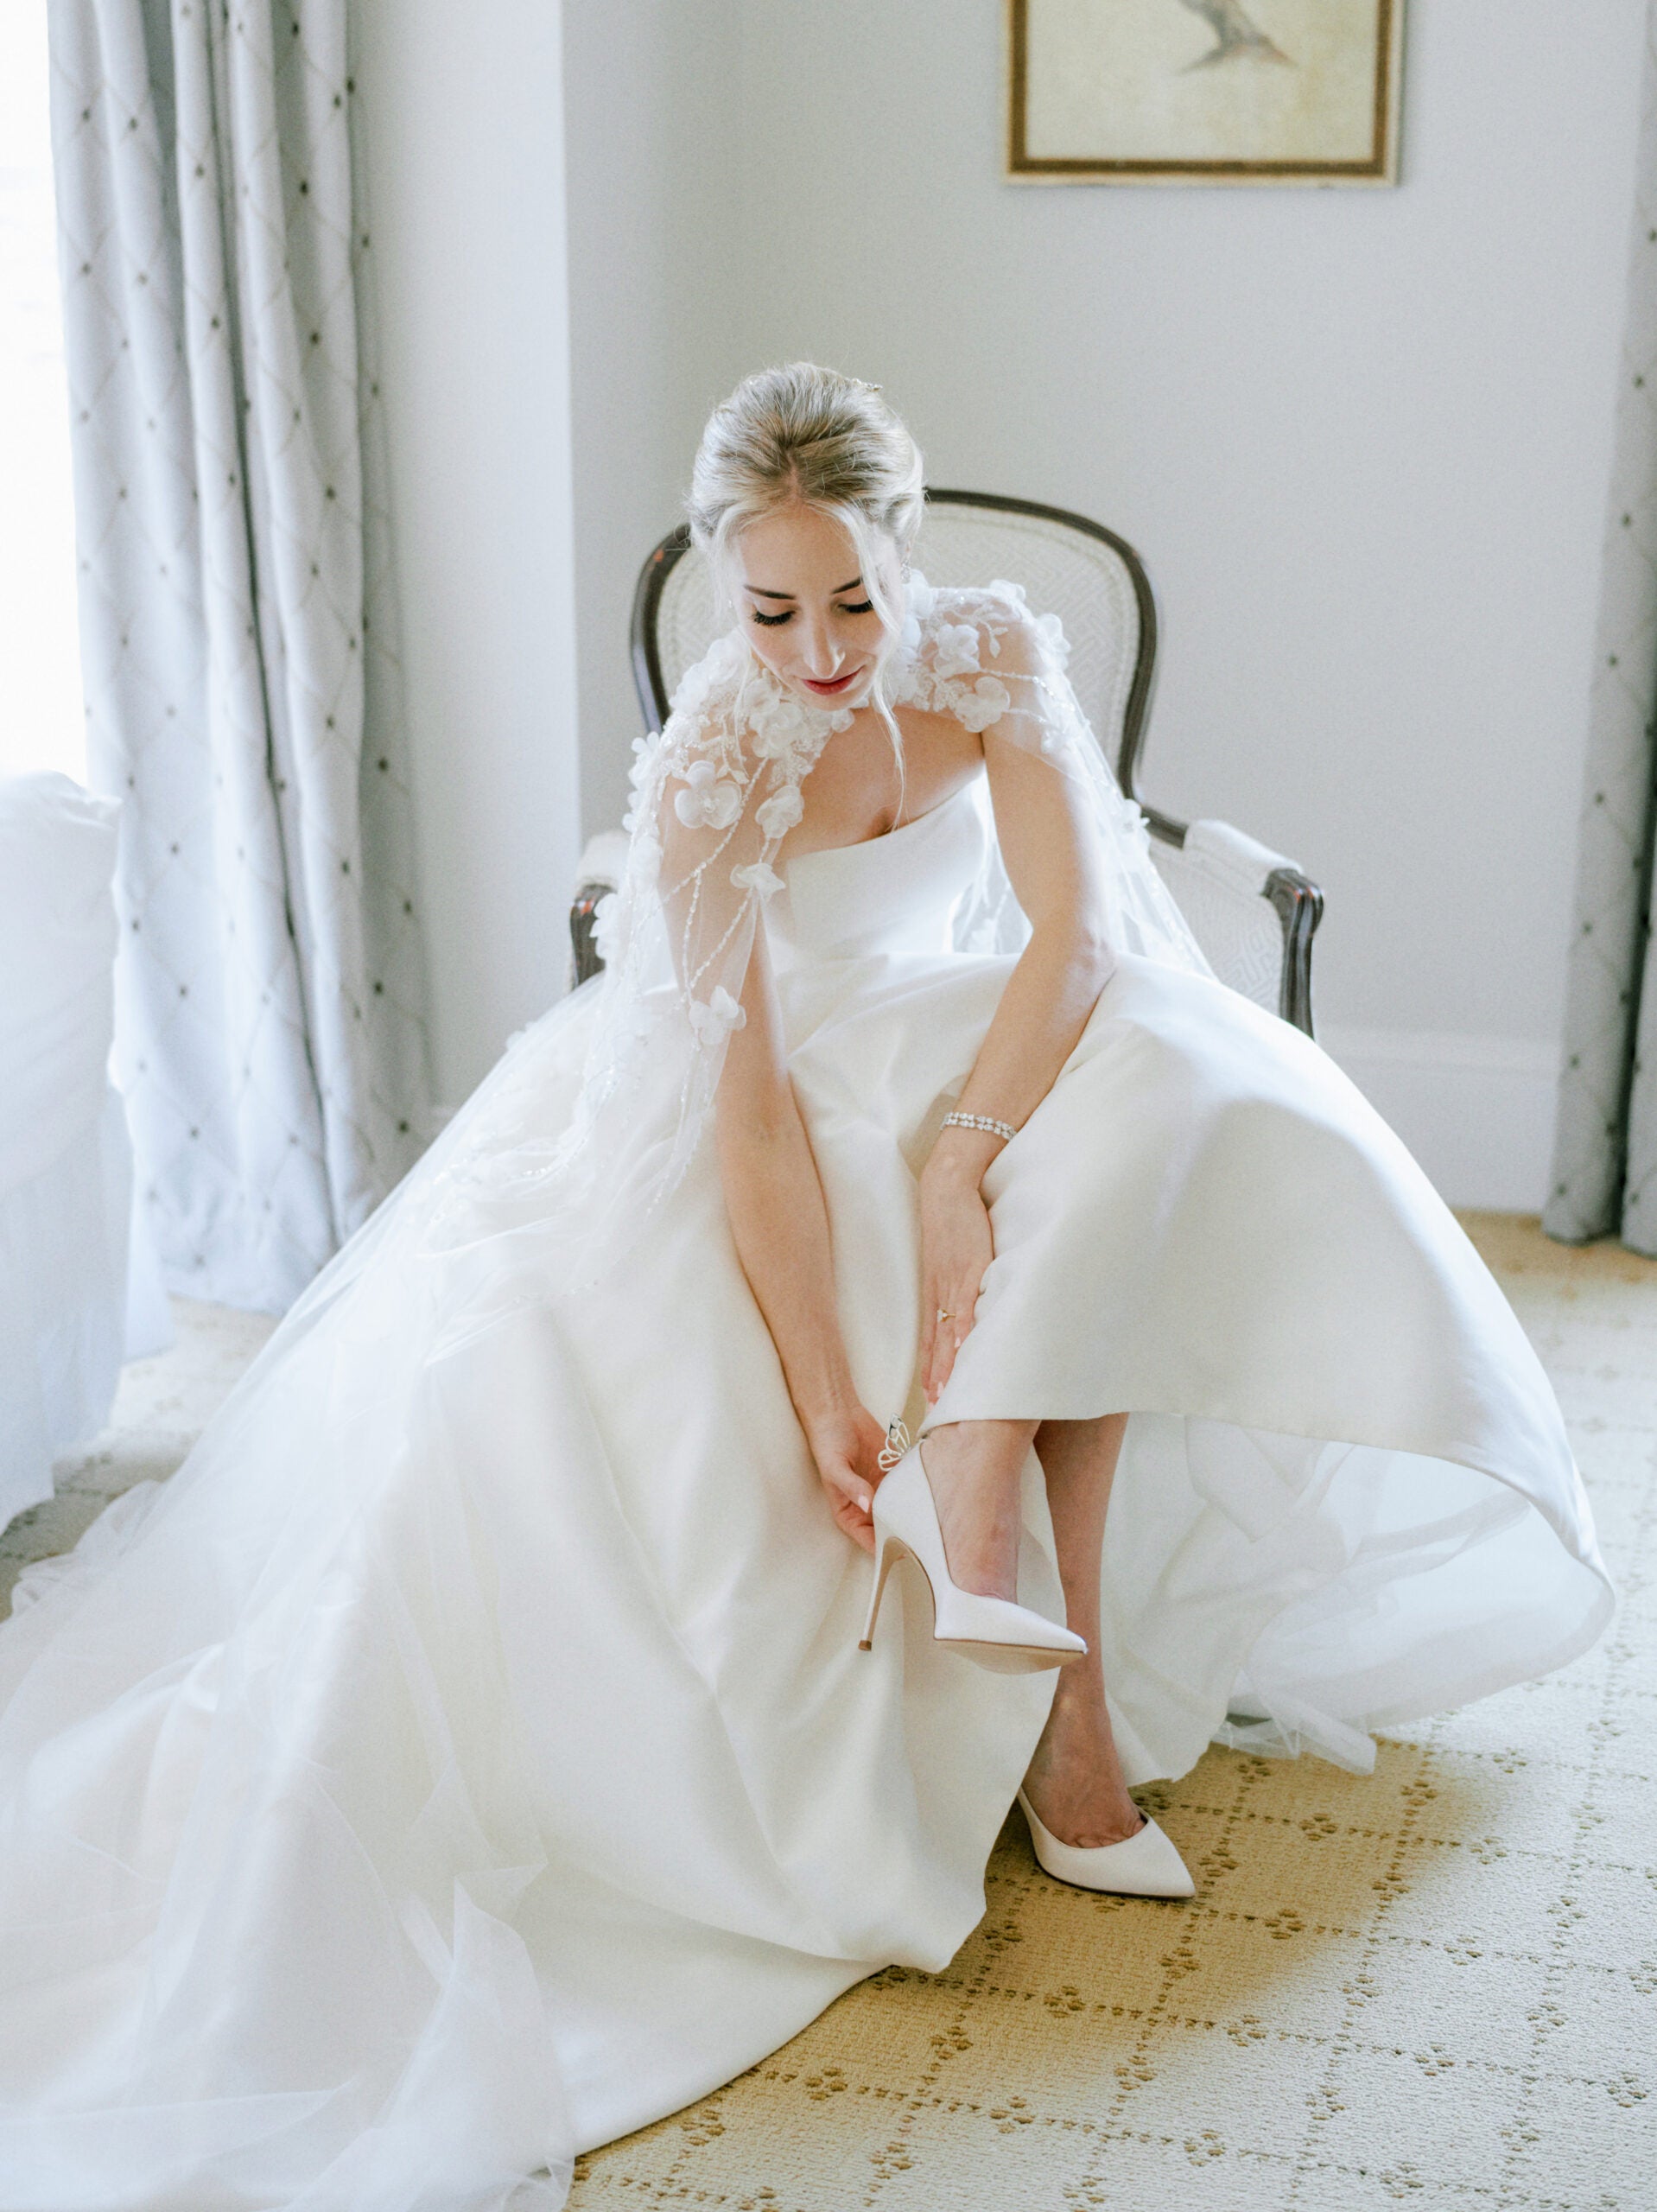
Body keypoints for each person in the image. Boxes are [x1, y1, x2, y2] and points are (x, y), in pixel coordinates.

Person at [0, 364, 1612, 2211]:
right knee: (1043, 1168)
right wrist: (826, 1396)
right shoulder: (711, 766)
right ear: (716, 588)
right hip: (766, 1094)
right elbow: (747, 1112)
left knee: (1166, 1056)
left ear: (903, 554)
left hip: (973, 1041)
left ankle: (990, 1484)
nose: (826, 648)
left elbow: (1076, 932)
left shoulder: (990, 654)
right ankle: (1019, 1638)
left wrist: (956, 1156)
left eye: (854, 595)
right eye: (772, 609)